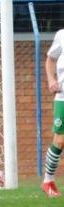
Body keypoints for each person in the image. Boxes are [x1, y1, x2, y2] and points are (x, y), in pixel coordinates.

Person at [42, 28, 64, 197]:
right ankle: (48, 181)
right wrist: (51, 79)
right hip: (63, 97)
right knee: (60, 141)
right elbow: (50, 60)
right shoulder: (61, 35)